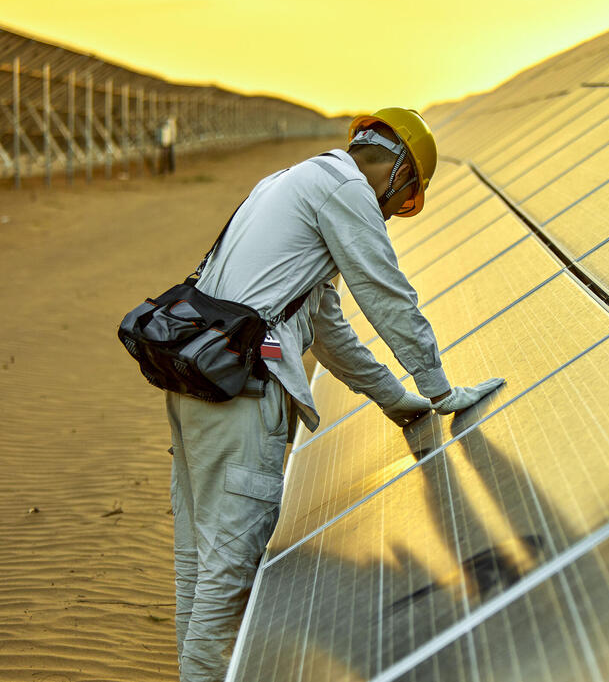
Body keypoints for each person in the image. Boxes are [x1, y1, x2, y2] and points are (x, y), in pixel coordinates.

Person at [164, 107, 504, 682]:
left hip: (195, 381)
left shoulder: (291, 181)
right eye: (404, 200)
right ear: (397, 173)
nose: (394, 214)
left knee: (199, 563)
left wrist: (400, 401)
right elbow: (387, 293)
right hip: (243, 396)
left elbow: (328, 330)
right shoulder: (346, 190)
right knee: (227, 575)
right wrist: (439, 387)